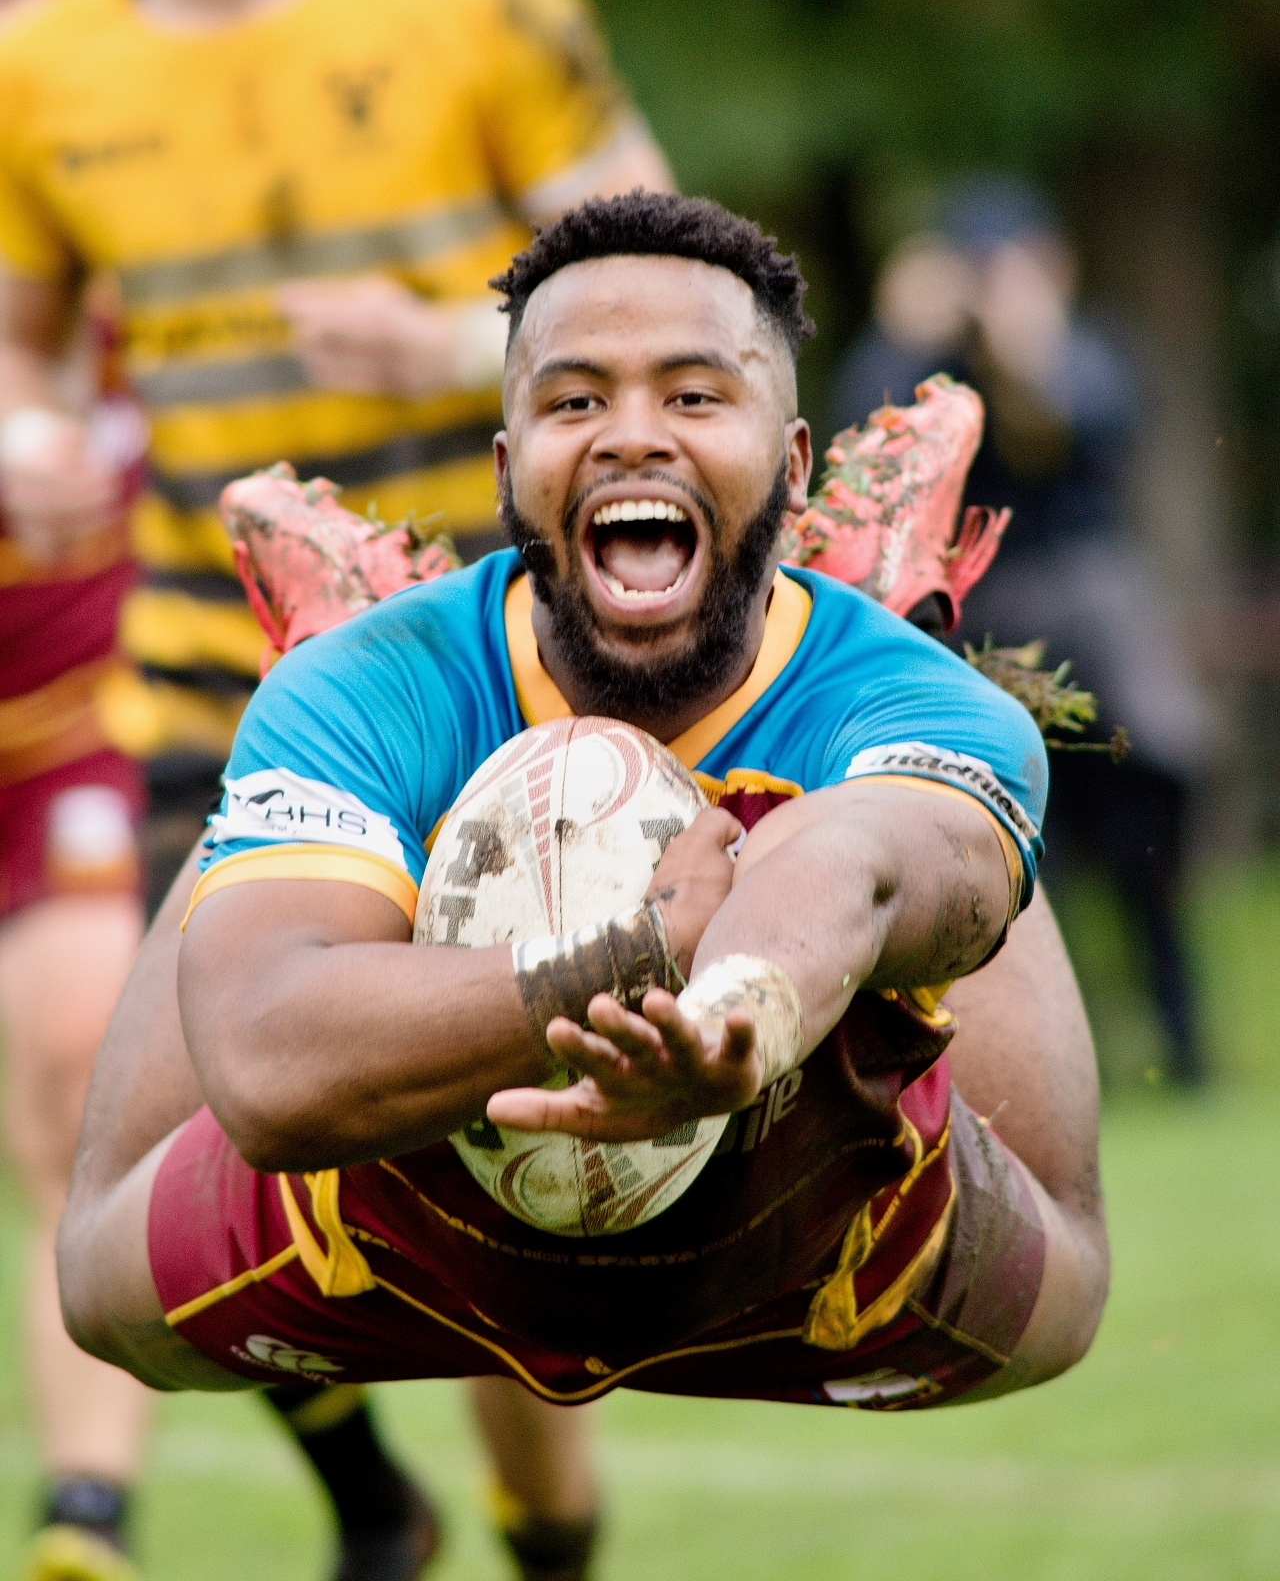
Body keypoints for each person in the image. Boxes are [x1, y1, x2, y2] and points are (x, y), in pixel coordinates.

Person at [0, 0, 672, 1576]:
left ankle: (535, 1528)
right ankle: (298, 1497)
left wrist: (465, 339)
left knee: (505, 1173)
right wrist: (28, 431)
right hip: (215, 669)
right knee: (143, 1090)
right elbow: (28, 350)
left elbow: (675, 300)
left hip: (488, 656)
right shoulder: (42, 69)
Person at [58, 195, 1109, 1465]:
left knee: (1058, 1276)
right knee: (99, 1277)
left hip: (805, 1233)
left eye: (692, 396)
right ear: (506, 471)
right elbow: (267, 1066)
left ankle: (888, 600)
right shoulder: (381, 686)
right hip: (401, 1232)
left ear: (790, 466)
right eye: (574, 401)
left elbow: (862, 865)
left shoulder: (901, 700)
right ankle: (334, 695)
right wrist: (630, 956)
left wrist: (731, 1015)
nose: (631, 434)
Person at [829, 176, 1215, 1083]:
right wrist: (902, 331)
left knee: (1150, 842)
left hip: (1099, 632)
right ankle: (1048, 1056)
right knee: (1026, 862)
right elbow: (862, 456)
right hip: (987, 626)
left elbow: (1065, 430)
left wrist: (1021, 347)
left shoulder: (1092, 352)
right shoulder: (926, 363)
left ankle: (1183, 1044)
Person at [0, 0, 156, 1581]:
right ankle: (358, 1473)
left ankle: (83, 1516)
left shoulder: (131, 217)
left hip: (83, 735)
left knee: (72, 1077)